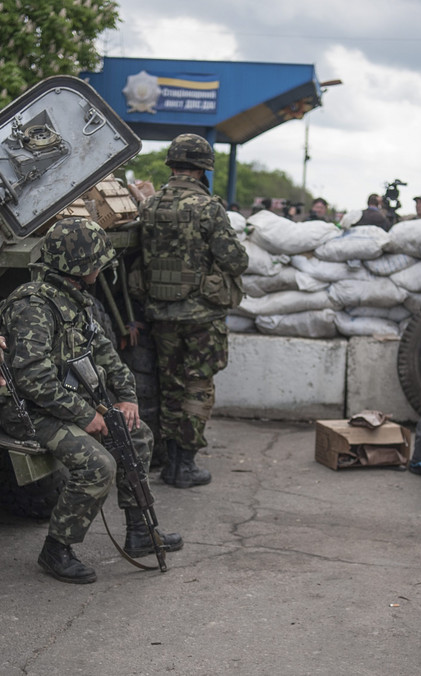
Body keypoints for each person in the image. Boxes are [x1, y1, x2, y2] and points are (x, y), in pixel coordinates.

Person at [0, 218, 183, 583]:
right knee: (98, 465)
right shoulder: (34, 304)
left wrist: (126, 398)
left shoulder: (77, 302)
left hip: (63, 404)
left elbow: (108, 358)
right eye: (97, 261)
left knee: (138, 436)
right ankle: (57, 548)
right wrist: (85, 414)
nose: (101, 268)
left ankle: (140, 533)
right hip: (29, 411)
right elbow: (32, 377)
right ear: (82, 266)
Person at [138, 133, 248, 488]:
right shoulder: (208, 208)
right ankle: (184, 464)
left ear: (171, 165)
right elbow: (236, 260)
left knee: (169, 387)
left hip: (161, 315)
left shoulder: (150, 206)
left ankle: (168, 461)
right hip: (201, 317)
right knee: (197, 387)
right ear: (202, 171)